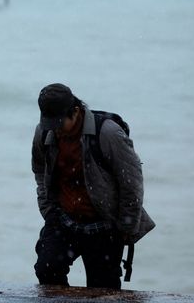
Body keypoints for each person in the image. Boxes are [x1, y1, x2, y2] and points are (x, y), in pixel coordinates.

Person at [31, 83, 155, 289]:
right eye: (51, 123)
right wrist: (47, 208)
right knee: (47, 268)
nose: (56, 129)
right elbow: (39, 170)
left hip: (104, 225)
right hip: (63, 220)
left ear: (76, 112)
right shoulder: (44, 133)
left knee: (103, 288)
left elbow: (131, 183)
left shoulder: (107, 133)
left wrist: (126, 226)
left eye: (60, 123)